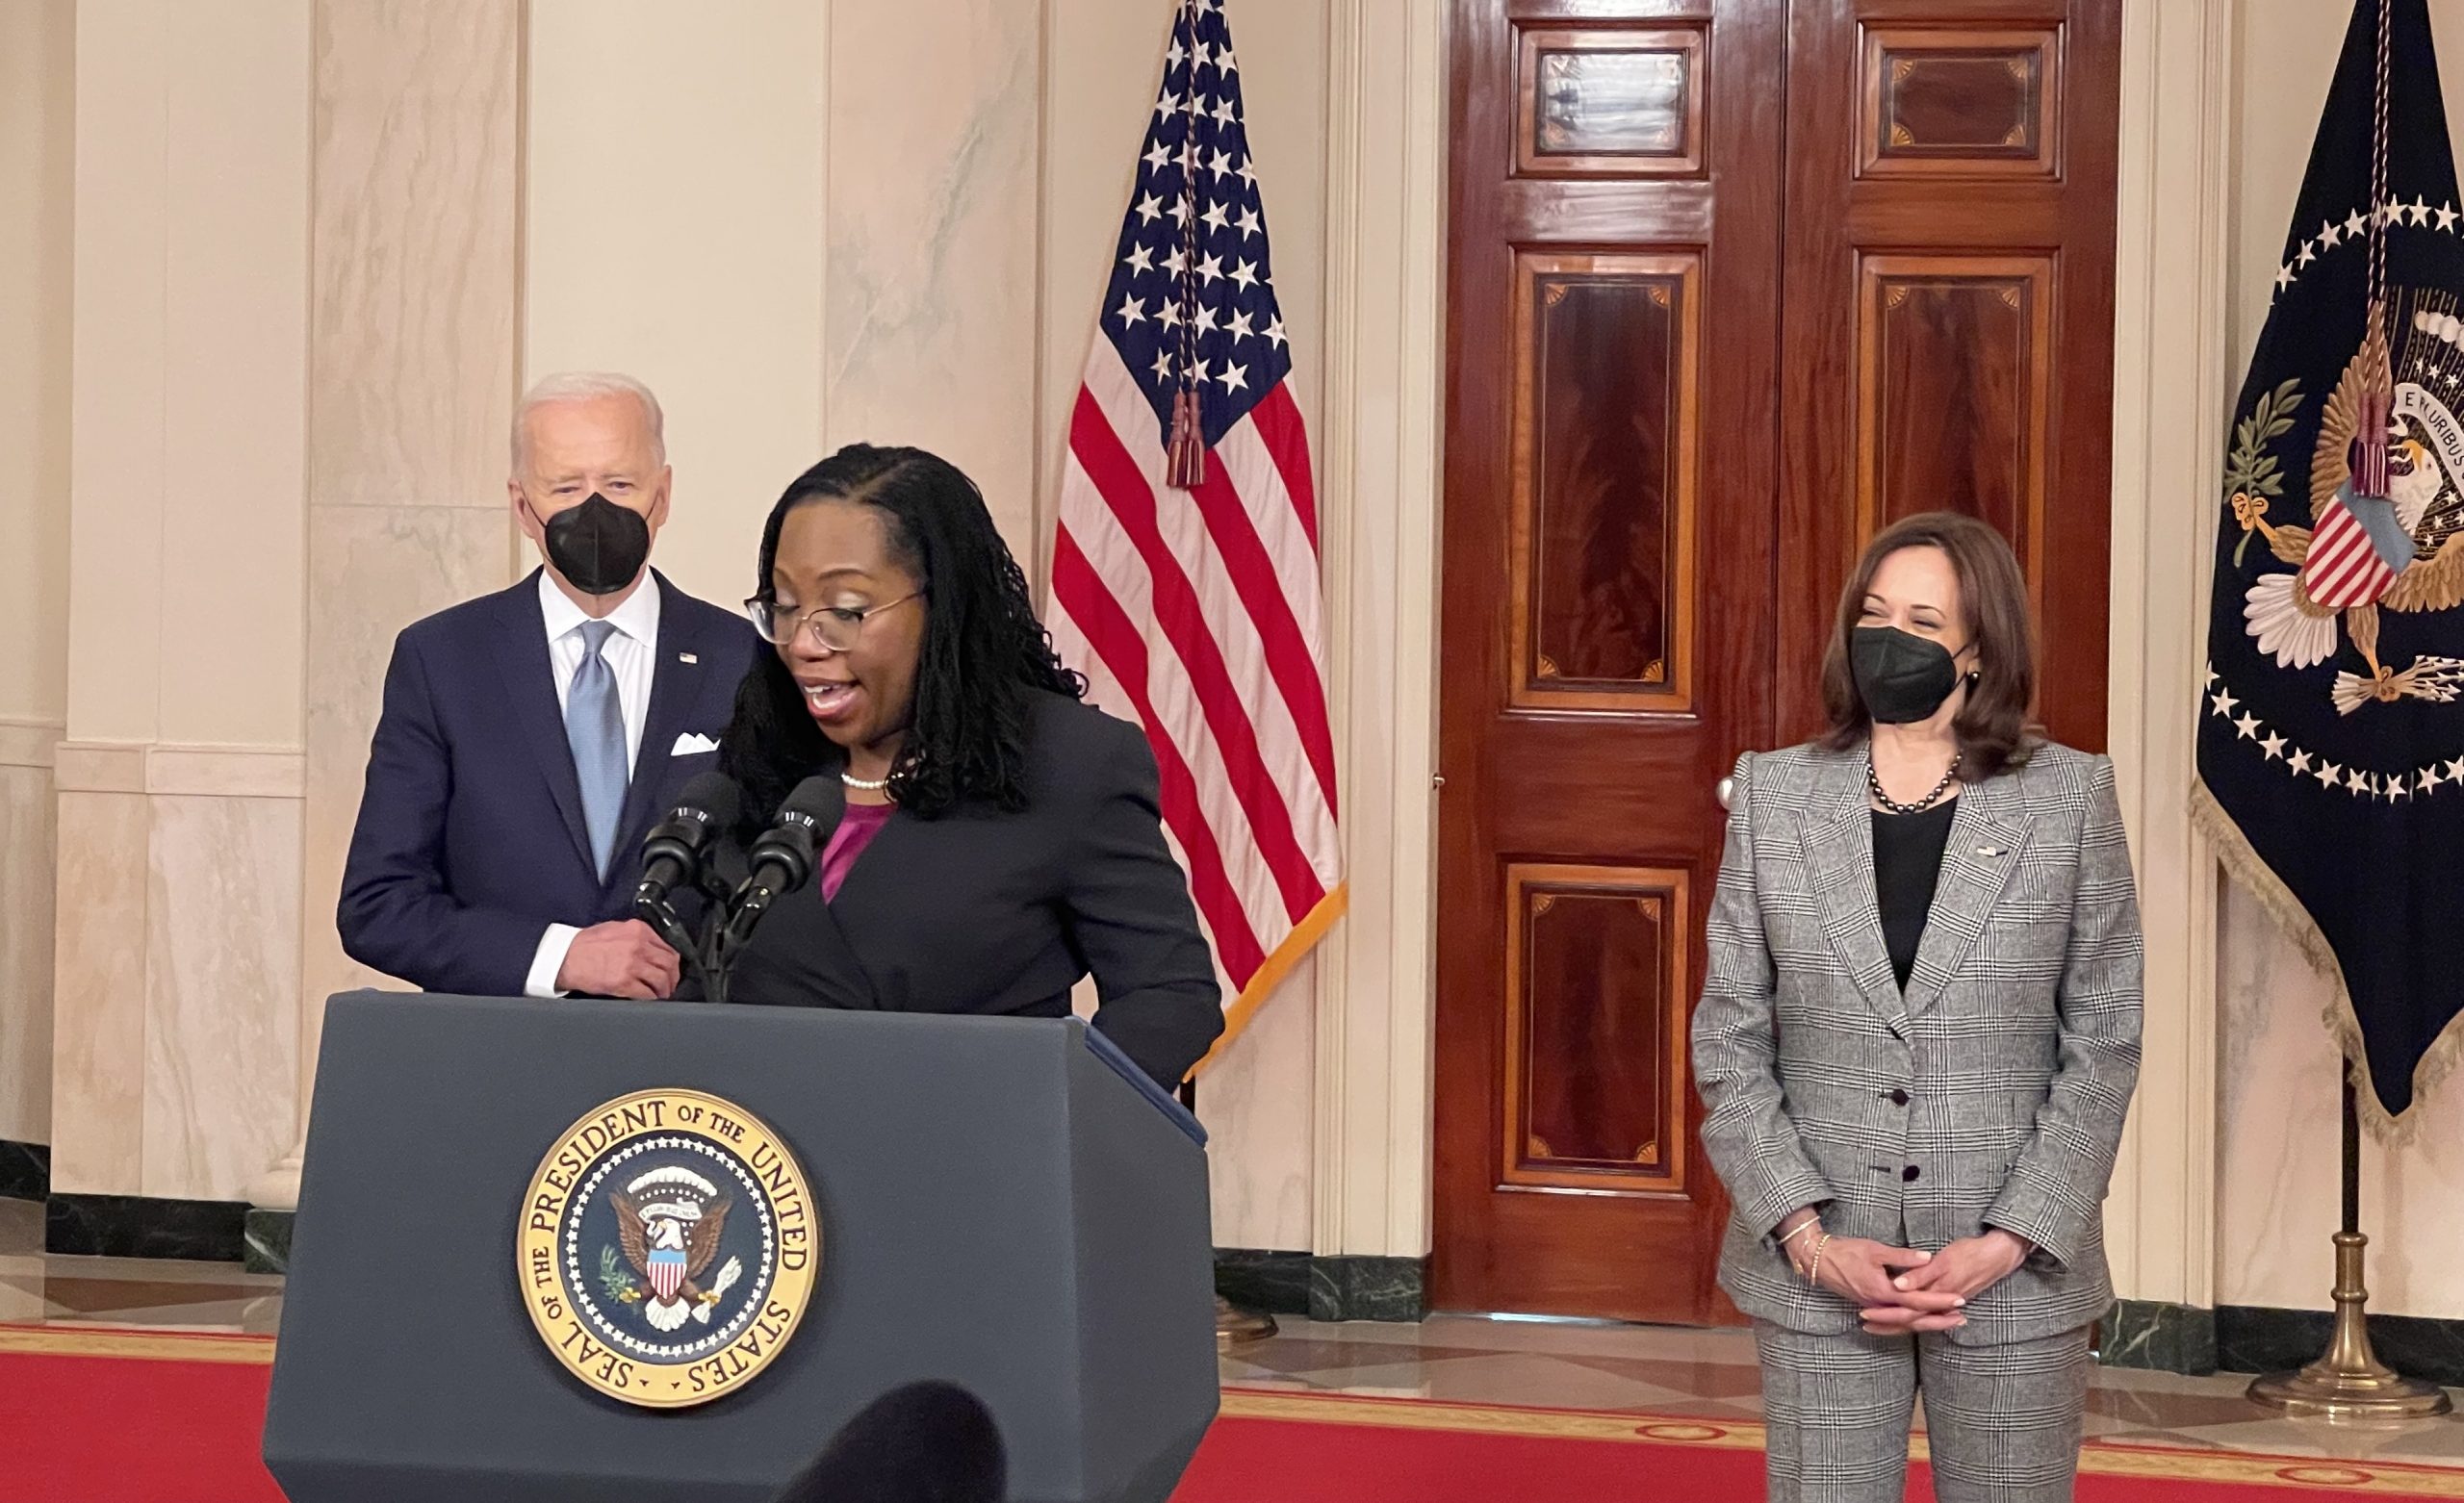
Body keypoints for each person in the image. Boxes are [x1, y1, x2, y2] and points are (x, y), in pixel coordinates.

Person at [1690, 511, 2143, 1502]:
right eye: (1873, 611)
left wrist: (2008, 1238)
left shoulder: (2069, 799)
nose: (1886, 636)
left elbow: (2103, 1041)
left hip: (2011, 1277)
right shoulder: (1772, 796)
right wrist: (1808, 1237)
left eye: (1922, 619)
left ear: (1977, 652)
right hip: (1821, 1271)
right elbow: (1727, 1035)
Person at [710, 443, 1223, 1086]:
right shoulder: (756, 759)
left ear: (944, 607)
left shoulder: (1067, 764)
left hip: (971, 1165)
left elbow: (1170, 998)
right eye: (784, 606)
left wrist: (1044, 1123)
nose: (807, 644)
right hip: (765, 1169)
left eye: (846, 610)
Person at [338, 372, 761, 1000]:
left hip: (688, 1066)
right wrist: (558, 957)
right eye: (566, 486)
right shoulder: (442, 660)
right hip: (500, 1064)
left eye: (620, 484)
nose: (595, 511)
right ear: (521, 507)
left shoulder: (746, 660)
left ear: (663, 495)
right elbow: (378, 905)